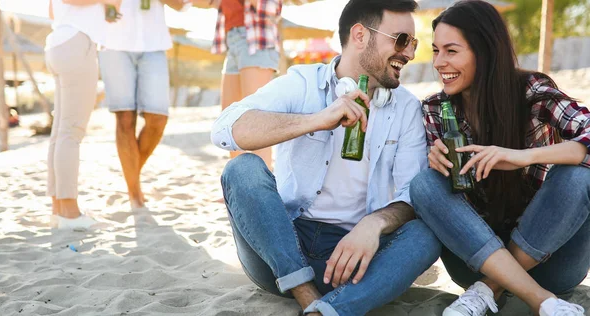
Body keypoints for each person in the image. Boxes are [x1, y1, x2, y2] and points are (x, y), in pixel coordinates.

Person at [211, 0, 442, 315]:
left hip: (356, 257)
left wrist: (374, 223)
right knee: (242, 168)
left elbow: (409, 196)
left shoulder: (406, 108)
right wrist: (316, 119)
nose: (411, 53)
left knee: (426, 234)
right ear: (359, 35)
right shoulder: (303, 82)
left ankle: (328, 310)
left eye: (413, 43)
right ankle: (307, 296)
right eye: (401, 40)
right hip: (280, 249)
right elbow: (225, 129)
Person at [409, 1, 590, 316]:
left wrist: (521, 157)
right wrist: (433, 161)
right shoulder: (436, 110)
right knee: (425, 184)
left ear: (486, 51)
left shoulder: (531, 91)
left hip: (552, 259)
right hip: (475, 260)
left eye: (451, 51)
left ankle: (492, 288)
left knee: (578, 175)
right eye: (435, 50)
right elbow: (438, 204)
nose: (438, 62)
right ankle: (539, 300)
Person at [98, 0, 187, 210]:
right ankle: (134, 192)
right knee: (125, 118)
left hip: (153, 44)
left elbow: (182, 5)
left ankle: (132, 174)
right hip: (113, 42)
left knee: (158, 119)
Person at [45, 0, 120, 230]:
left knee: (60, 132)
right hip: (76, 43)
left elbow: (52, 10)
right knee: (70, 132)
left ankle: (59, 209)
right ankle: (68, 212)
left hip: (59, 42)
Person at [195, 0, 281, 170]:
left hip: (256, 40)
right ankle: (238, 184)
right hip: (232, 40)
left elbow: (274, 8)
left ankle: (261, 186)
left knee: (257, 121)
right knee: (229, 121)